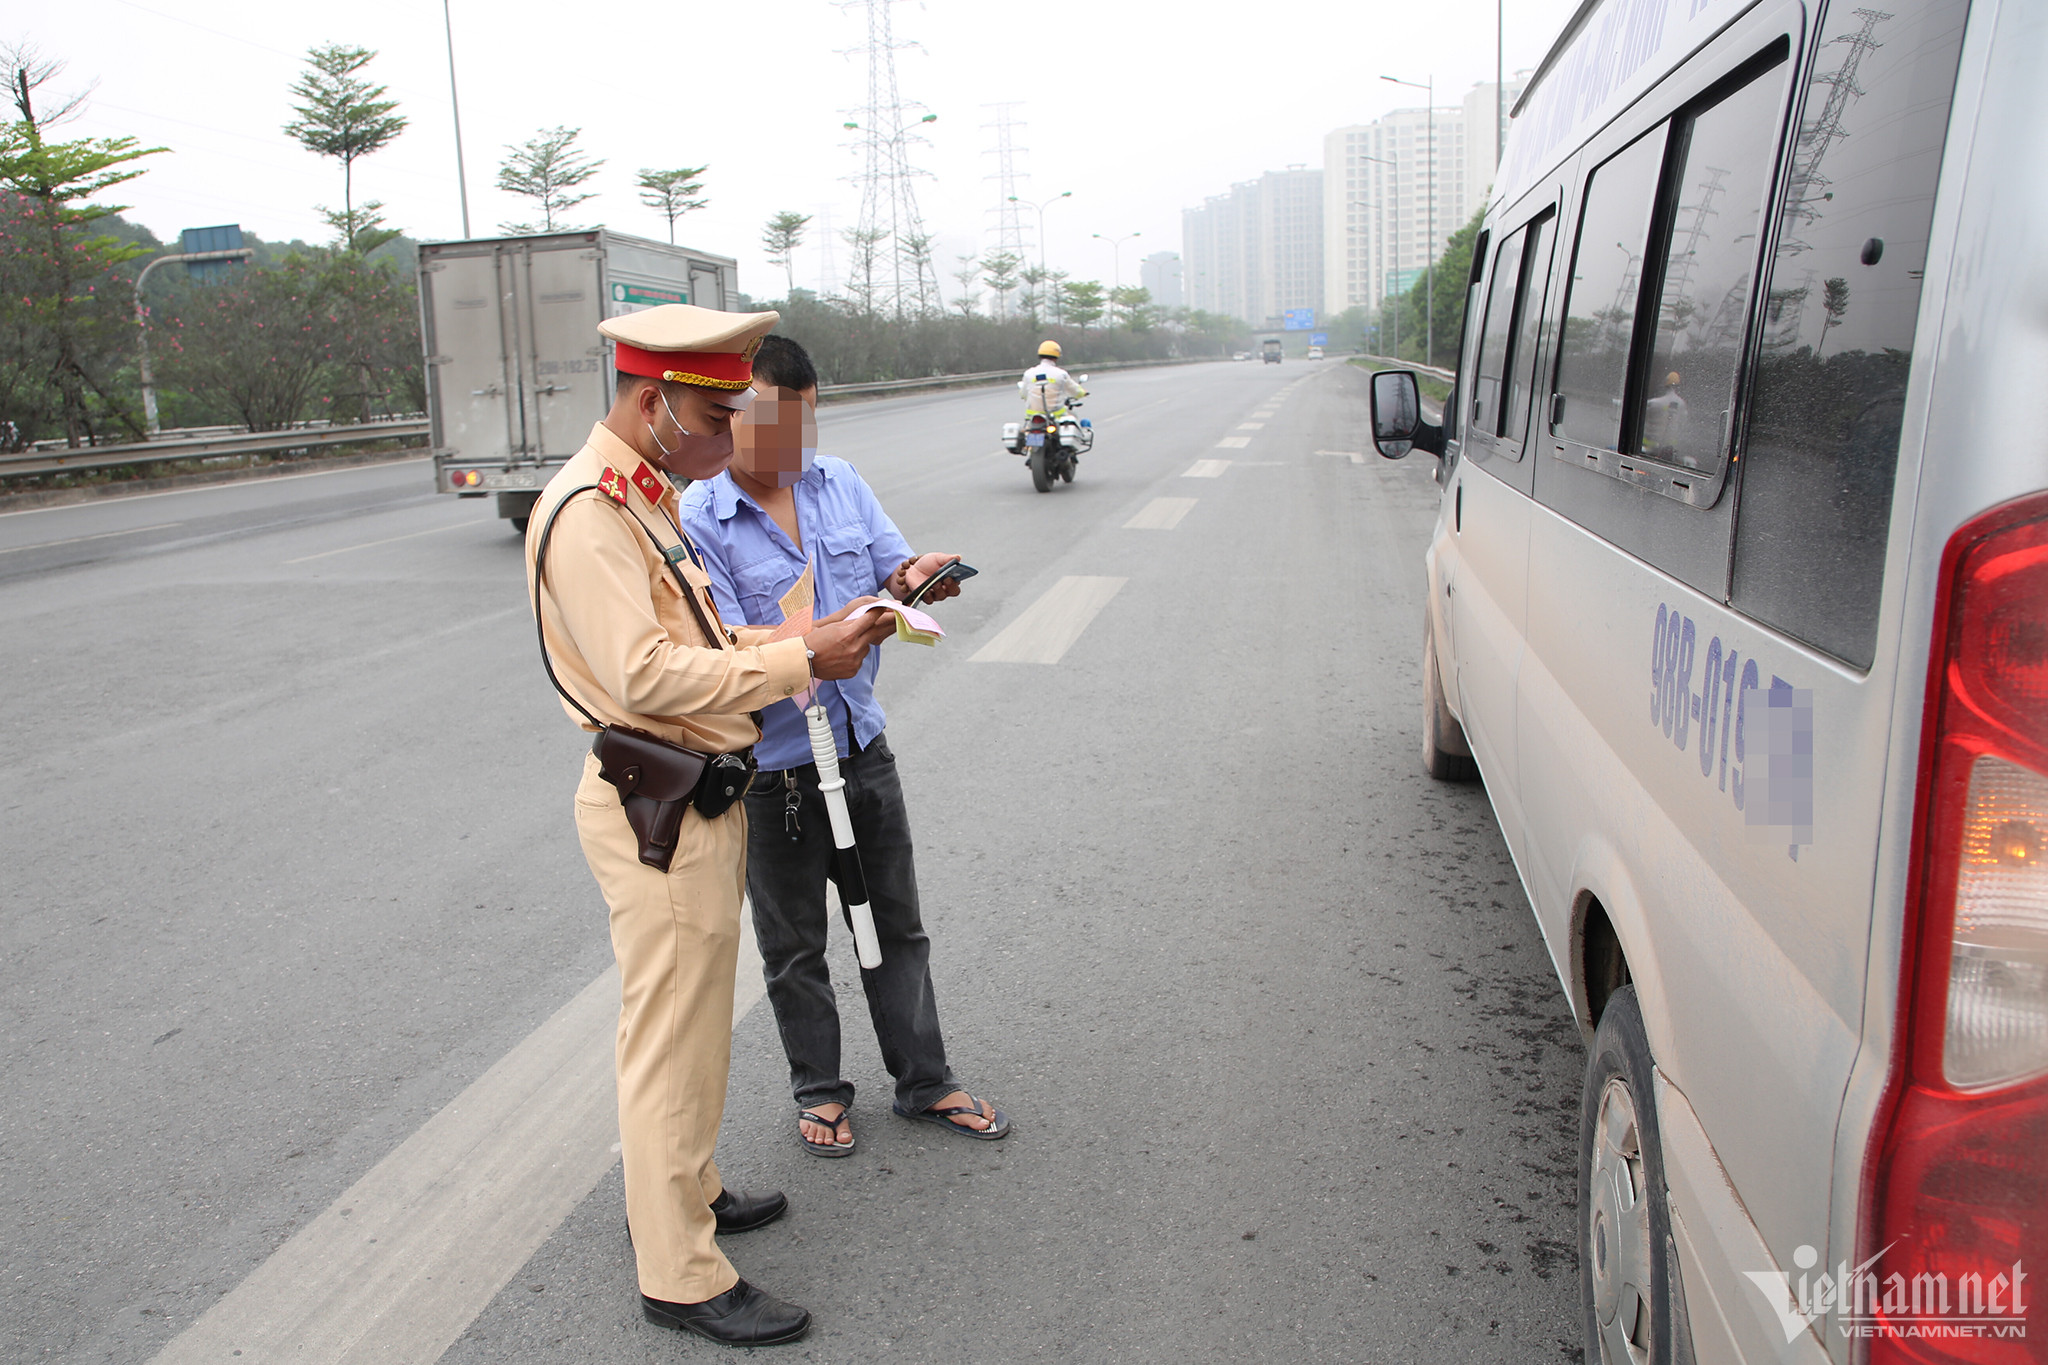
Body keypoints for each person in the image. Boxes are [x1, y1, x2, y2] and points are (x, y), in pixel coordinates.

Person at [523, 305, 896, 1348]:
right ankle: (680, 1272)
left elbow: (690, 633)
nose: (729, 437)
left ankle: (686, 1190)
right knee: (671, 1043)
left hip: (698, 789)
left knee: (692, 1030)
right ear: (652, 405)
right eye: (712, 415)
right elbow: (639, 671)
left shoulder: (645, 497)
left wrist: (801, 636)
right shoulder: (591, 514)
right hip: (659, 800)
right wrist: (791, 662)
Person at [679, 334, 1012, 1160]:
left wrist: (912, 578)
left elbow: (888, 567)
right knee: (795, 947)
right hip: (775, 770)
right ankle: (820, 1093)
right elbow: (716, 643)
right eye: (762, 425)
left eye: (800, 426)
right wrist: (813, 638)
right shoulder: (699, 515)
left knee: (896, 922)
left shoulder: (840, 481)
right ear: (731, 417)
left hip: (860, 743)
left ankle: (924, 1078)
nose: (784, 449)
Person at [1019, 338, 1086, 418]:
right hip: (1056, 417)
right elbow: (1075, 391)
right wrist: (1083, 393)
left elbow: (1023, 394)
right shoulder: (1061, 374)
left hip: (1032, 418)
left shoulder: (1028, 373)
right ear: (1057, 356)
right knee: (1073, 422)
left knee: (1026, 429)